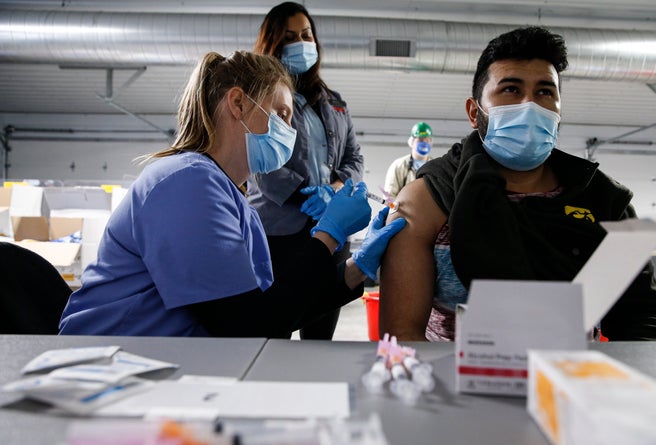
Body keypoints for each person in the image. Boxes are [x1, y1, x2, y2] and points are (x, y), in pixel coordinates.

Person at [58, 50, 405, 337]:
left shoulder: (227, 194)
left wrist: (356, 268)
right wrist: (329, 234)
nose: (291, 132)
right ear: (238, 102)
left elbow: (275, 307)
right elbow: (248, 324)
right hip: (110, 368)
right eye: (282, 115)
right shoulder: (186, 183)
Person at [379, 26, 656, 342]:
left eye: (545, 92)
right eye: (510, 89)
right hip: (450, 384)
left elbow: (645, 316)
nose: (530, 105)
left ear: (559, 110)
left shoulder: (604, 201)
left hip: (570, 382)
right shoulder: (428, 199)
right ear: (474, 111)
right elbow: (401, 337)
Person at [248, 2, 364, 340]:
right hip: (278, 233)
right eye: (289, 37)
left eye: (306, 34)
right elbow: (261, 163)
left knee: (320, 331)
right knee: (274, 328)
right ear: (273, 44)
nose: (301, 42)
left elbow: (355, 159)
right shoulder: (262, 98)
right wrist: (303, 196)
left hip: (332, 227)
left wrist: (334, 190)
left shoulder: (334, 101)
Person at [383, 121, 434, 199]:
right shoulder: (399, 166)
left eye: (427, 140)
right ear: (412, 142)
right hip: (403, 210)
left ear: (431, 142)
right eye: (420, 140)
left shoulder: (435, 168)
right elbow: (389, 196)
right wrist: (391, 209)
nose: (424, 143)